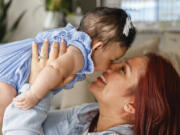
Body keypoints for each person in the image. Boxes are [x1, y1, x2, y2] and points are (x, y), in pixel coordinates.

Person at [2, 40, 179, 135]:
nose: (110, 67)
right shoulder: (90, 115)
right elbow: (23, 125)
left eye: (123, 70)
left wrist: (37, 85)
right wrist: (45, 84)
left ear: (132, 105)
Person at [0, 7, 136, 122]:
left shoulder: (74, 39)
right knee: (6, 101)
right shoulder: (79, 54)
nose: (111, 66)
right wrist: (34, 95)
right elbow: (55, 69)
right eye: (112, 59)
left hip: (12, 59)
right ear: (97, 47)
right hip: (14, 71)